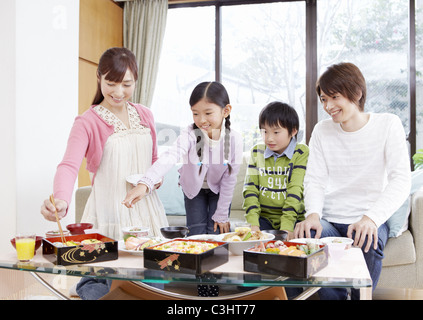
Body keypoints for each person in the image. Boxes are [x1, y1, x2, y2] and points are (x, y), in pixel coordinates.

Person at [40, 47, 168, 299]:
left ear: (136, 81)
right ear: (99, 77)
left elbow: (155, 164)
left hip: (148, 214)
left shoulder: (146, 115)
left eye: (126, 84)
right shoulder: (87, 121)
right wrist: (61, 199)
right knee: (99, 286)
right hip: (108, 215)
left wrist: (149, 184)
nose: (118, 92)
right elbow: (68, 165)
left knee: (153, 288)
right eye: (111, 83)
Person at [293, 62, 411, 300]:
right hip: (330, 219)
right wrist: (313, 215)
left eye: (334, 97)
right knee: (307, 239)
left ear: (357, 93)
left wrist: (371, 219)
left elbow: (400, 180)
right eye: (324, 99)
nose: (328, 106)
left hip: (367, 218)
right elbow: (315, 179)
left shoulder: (388, 124)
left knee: (370, 238)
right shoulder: (321, 130)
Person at [123, 81, 244, 236]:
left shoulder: (234, 140)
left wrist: (222, 213)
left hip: (219, 189)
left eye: (208, 113)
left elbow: (230, 179)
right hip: (193, 189)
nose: (201, 120)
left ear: (225, 111)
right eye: (195, 113)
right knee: (196, 233)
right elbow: (170, 156)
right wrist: (145, 183)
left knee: (216, 233)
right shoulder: (190, 134)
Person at [243, 102, 308, 240]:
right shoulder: (257, 152)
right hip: (264, 220)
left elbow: (295, 190)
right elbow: (250, 190)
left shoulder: (301, 152)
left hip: (294, 219)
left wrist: (287, 227)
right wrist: (253, 225)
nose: (269, 138)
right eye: (264, 131)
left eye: (276, 132)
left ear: (293, 131)